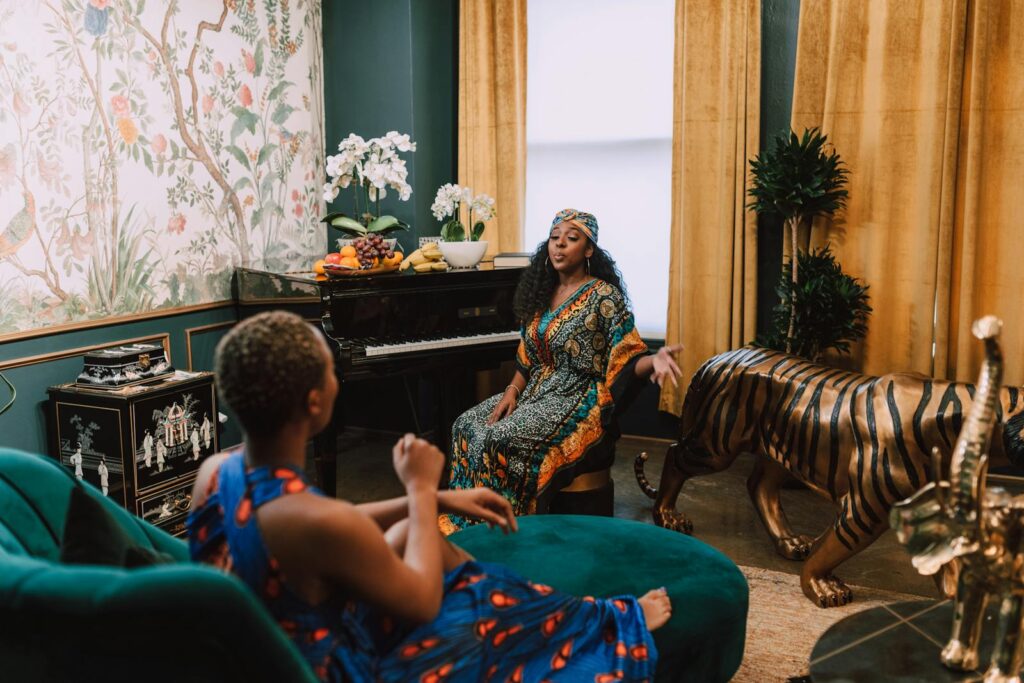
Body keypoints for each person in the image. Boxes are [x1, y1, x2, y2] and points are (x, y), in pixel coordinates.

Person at [187, 311, 670, 682]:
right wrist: (420, 486)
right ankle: (599, 624)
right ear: (315, 402)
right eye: (330, 370)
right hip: (324, 667)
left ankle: (581, 615)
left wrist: (437, 502)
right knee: (478, 599)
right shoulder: (316, 525)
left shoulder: (215, 472)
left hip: (269, 636)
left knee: (411, 533)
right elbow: (419, 601)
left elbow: (319, 521)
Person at [441, 209, 683, 532]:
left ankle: (509, 527)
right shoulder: (542, 295)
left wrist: (653, 361)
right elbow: (526, 358)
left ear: (588, 249)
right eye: (554, 238)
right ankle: (467, 524)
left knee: (501, 437)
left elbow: (625, 354)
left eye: (571, 239)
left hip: (578, 397)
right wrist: (512, 391)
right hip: (534, 392)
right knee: (465, 426)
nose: (559, 246)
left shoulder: (603, 297)